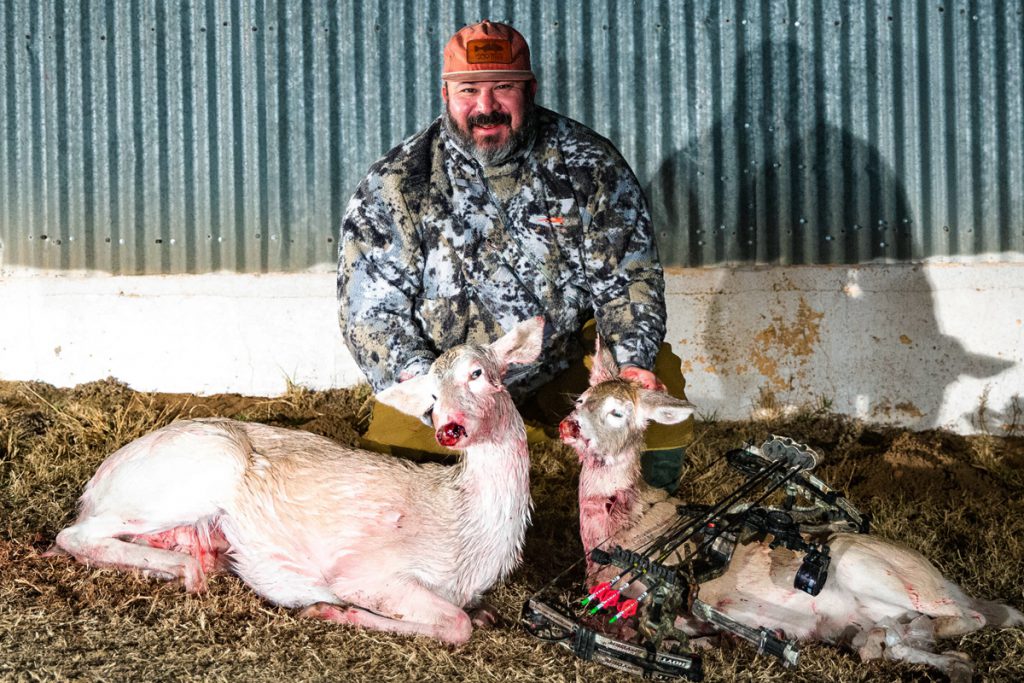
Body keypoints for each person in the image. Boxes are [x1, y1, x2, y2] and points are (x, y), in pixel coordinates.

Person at [337, 20, 692, 489]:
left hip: (562, 369)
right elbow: (371, 313)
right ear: (445, 94)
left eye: (503, 87)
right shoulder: (399, 183)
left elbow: (629, 280)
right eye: (469, 90)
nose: (486, 107)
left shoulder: (589, 164)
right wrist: (437, 394)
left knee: (654, 401)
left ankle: (638, 529)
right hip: (453, 382)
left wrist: (630, 363)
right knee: (400, 478)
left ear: (530, 89)